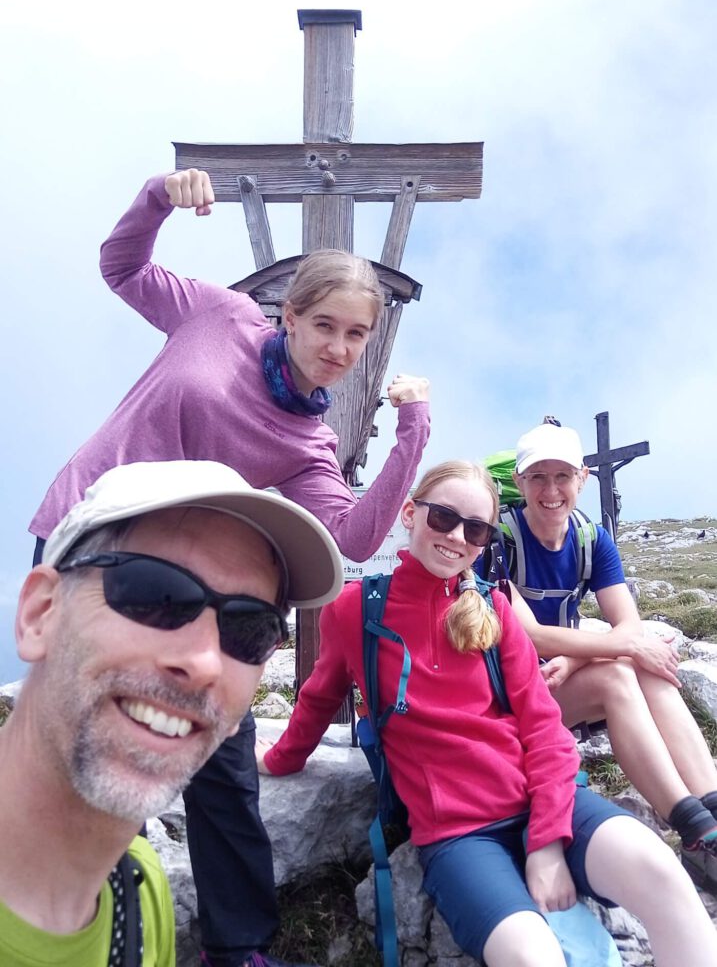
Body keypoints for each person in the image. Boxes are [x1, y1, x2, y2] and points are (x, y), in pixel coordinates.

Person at [28, 168, 430, 967]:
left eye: (356, 336)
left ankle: (238, 946)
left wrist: (411, 431)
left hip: (182, 583)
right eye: (324, 325)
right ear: (287, 316)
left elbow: (352, 536)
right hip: (91, 535)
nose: (338, 349)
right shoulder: (217, 315)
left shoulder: (306, 443)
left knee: (222, 757)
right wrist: (153, 198)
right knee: (78, 737)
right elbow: (122, 270)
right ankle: (64, 922)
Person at [258, 460, 717, 967]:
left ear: (484, 542)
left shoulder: (495, 610)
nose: (457, 537)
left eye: (475, 529)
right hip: (456, 835)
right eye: (443, 518)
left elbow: (543, 727)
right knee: (529, 956)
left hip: (546, 799)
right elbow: (320, 698)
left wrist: (546, 843)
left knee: (662, 873)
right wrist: (279, 760)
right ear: (410, 513)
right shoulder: (355, 609)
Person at [1, 458, 344, 967]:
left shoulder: (137, 891)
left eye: (250, 629)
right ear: (40, 613)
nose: (204, 662)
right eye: (154, 594)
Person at [485, 421, 717, 895]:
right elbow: (529, 633)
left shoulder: (591, 539)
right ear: (521, 482)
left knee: (649, 663)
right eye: (538, 478)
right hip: (506, 696)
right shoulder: (499, 541)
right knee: (618, 672)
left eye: (563, 477)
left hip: (554, 681)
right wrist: (603, 652)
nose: (551, 490)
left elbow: (628, 625)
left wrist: (577, 661)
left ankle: (712, 811)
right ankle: (696, 832)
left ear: (583, 478)